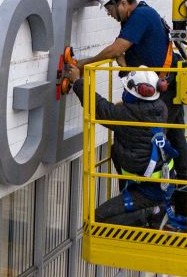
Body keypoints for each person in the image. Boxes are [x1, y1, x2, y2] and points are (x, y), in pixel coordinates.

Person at [68, 0, 187, 171]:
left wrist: (80, 64)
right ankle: (185, 190)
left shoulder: (141, 16)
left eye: (109, 9)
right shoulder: (137, 14)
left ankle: (162, 189)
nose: (109, 14)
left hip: (165, 88)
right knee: (175, 136)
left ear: (123, 4)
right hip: (166, 83)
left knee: (151, 138)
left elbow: (115, 50)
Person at [64, 64, 170, 227]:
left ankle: (149, 213)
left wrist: (78, 81)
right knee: (115, 149)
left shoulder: (126, 115)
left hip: (147, 191)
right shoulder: (160, 108)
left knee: (96, 219)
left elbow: (99, 108)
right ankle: (151, 212)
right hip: (160, 181)